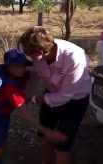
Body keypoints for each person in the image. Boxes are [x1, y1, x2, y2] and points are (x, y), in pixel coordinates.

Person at [18, 26, 91, 164]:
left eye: (31, 54)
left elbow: (65, 96)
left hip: (75, 100)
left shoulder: (73, 57)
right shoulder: (36, 54)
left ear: (41, 51)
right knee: (47, 137)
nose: (29, 57)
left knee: (62, 146)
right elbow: (35, 74)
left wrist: (37, 99)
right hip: (51, 92)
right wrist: (27, 93)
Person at [0, 49, 32, 164]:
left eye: (23, 65)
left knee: (1, 142)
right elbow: (22, 111)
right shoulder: (9, 87)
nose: (22, 68)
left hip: (3, 114)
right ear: (8, 67)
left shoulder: (14, 77)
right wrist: (42, 129)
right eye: (17, 66)